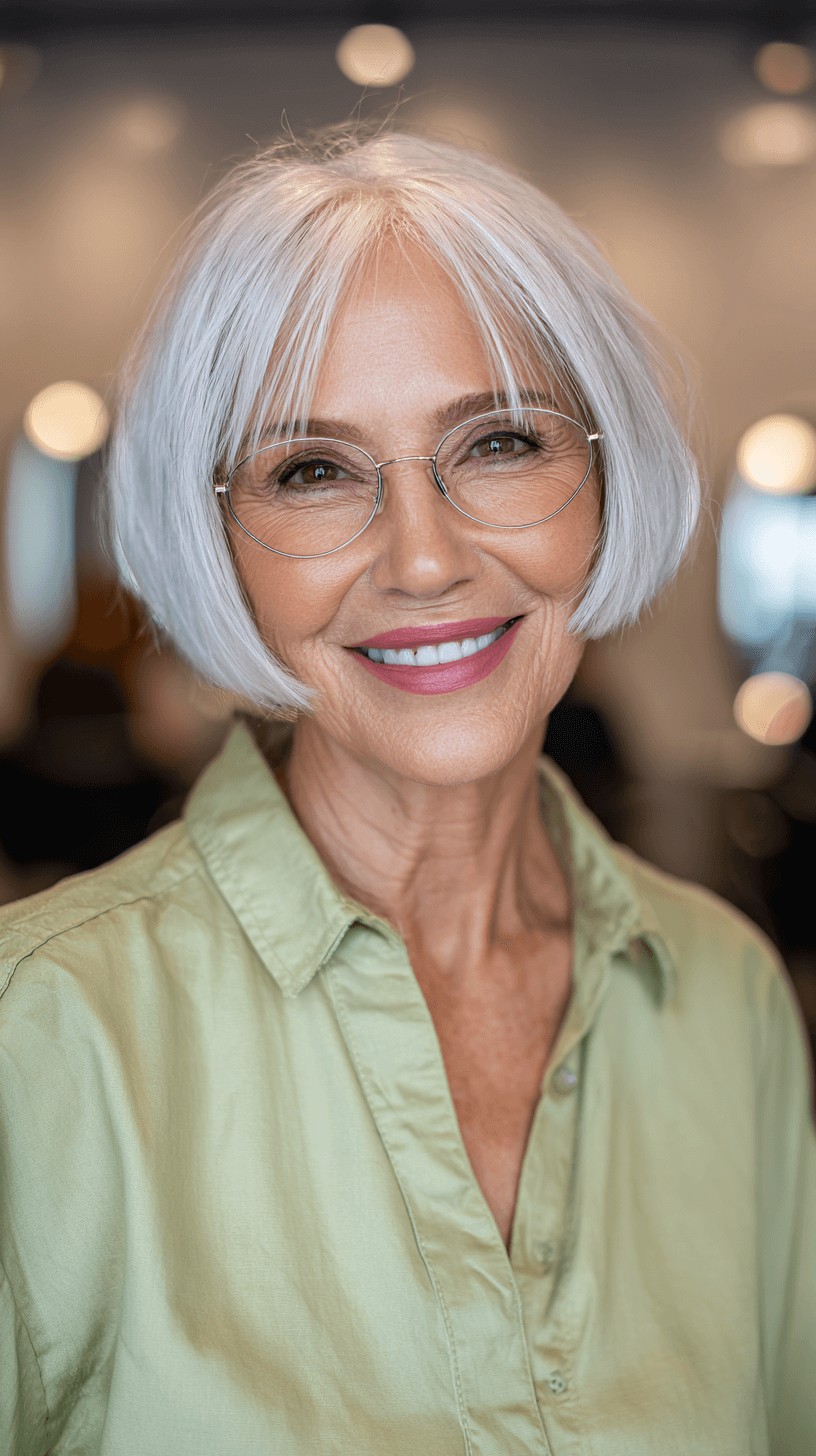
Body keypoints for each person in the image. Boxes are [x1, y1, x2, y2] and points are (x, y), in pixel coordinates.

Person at [1, 124, 813, 1456]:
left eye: (499, 442)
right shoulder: (36, 1038)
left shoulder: (724, 992)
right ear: (216, 543)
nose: (424, 559)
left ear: (601, 482)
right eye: (311, 471)